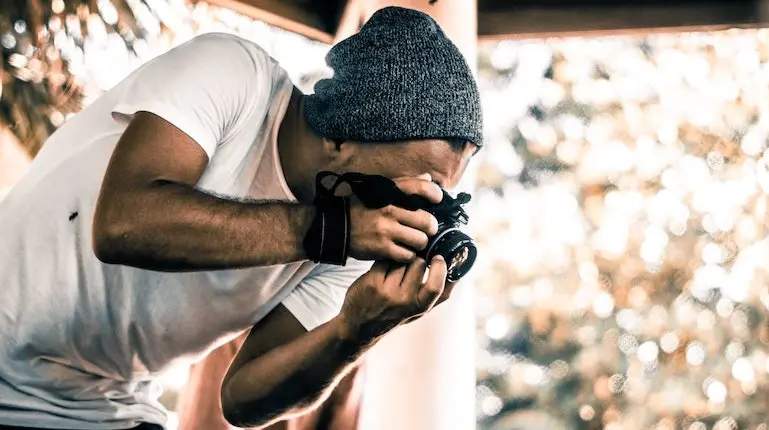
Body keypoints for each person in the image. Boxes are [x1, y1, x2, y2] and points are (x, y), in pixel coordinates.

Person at [0, 5, 482, 430]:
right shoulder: (232, 74)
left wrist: (356, 329)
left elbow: (242, 402)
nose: (419, 204)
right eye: (416, 182)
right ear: (338, 138)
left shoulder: (356, 231)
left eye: (439, 194)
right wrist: (330, 231)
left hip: (103, 407)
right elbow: (122, 224)